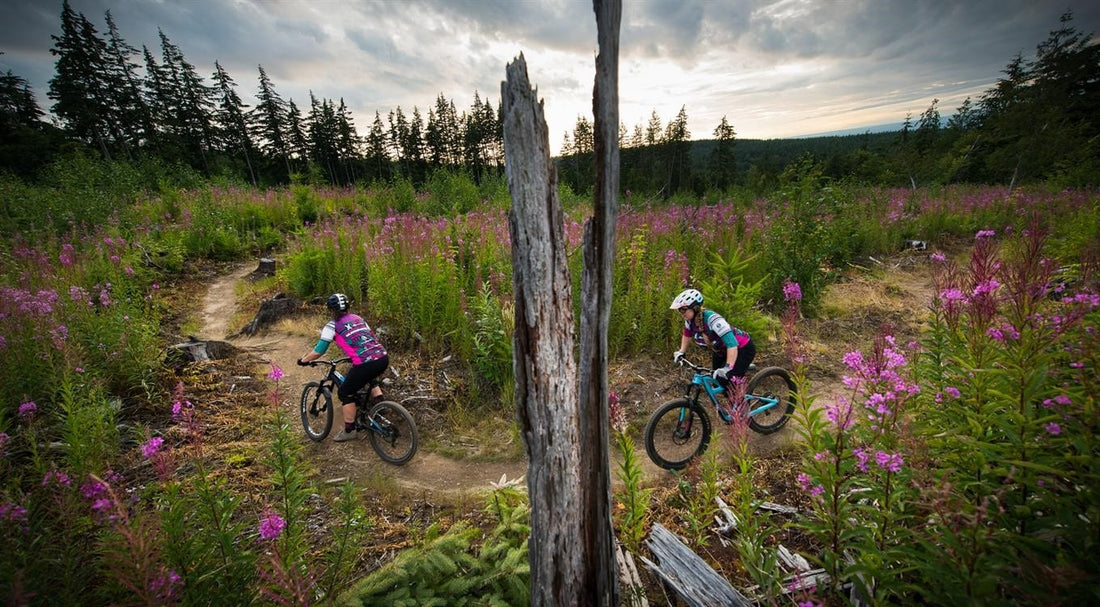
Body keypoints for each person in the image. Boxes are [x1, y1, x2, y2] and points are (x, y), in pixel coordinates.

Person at [297, 293, 388, 442]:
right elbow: (370, 338)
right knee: (368, 376)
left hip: (365, 363)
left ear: (331, 310)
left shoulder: (332, 326)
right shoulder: (358, 319)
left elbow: (319, 351)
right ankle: (381, 405)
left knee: (345, 392)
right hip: (382, 357)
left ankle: (349, 431)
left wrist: (303, 360)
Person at [670, 288, 755, 385]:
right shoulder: (690, 321)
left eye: (683, 309)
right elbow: (687, 334)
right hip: (720, 350)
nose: (681, 313)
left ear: (695, 308)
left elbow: (732, 344)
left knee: (728, 381)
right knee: (716, 380)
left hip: (742, 348)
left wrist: (728, 368)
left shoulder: (713, 319)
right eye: (679, 310)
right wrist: (682, 351)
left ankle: (742, 392)